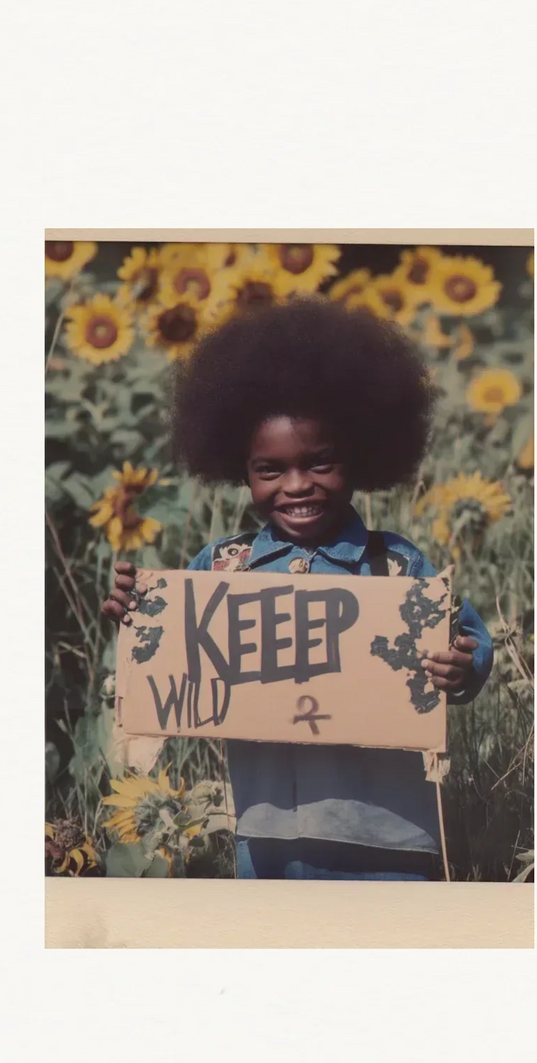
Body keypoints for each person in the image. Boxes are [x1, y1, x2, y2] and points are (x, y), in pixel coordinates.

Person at [101, 295, 493, 880]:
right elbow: (173, 647)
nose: (297, 485)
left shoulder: (397, 566)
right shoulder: (222, 567)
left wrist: (461, 666)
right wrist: (139, 615)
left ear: (359, 459)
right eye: (271, 470)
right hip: (266, 836)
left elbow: (466, 642)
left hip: (390, 837)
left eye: (320, 463)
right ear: (241, 472)